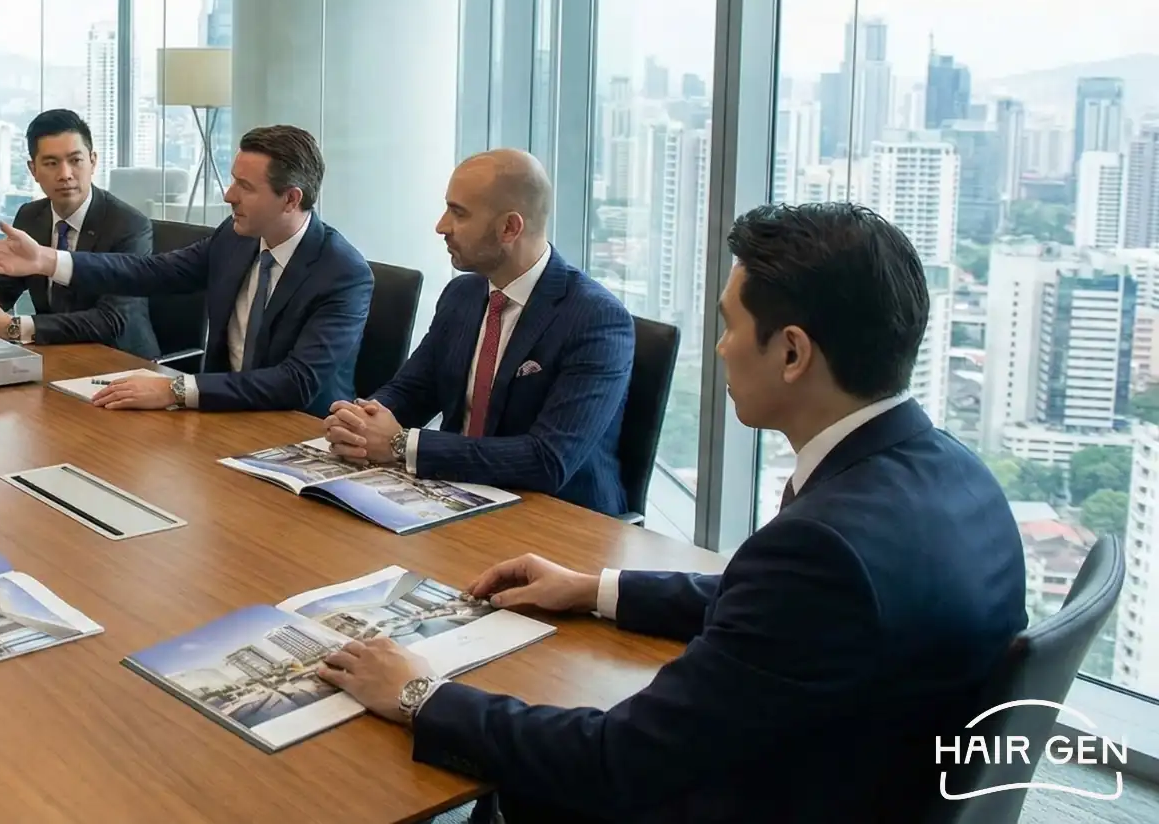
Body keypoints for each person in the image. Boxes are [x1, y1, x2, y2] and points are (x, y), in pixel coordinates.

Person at [318, 202, 1026, 822]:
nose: (718, 348)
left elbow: (615, 761)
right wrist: (596, 590)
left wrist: (416, 692)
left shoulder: (820, 548)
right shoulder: (954, 476)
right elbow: (780, 605)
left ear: (791, 352)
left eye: (729, 325)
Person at [0, 124, 372, 416]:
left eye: (245, 187)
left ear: (290, 199)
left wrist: (176, 388)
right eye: (233, 181)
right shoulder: (234, 239)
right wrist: (47, 260)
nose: (228, 195)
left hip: (296, 431)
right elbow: (148, 273)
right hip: (221, 416)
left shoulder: (342, 273)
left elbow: (296, 381)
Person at [321, 150, 633, 513]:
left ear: (509, 228)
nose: (441, 226)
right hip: (454, 496)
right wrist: (360, 422)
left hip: (556, 519)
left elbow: (548, 460)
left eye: (459, 213)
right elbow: (415, 389)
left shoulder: (596, 318)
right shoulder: (463, 294)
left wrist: (400, 444)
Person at [0, 109, 159, 358]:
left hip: (120, 361)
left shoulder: (128, 225)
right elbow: (3, 286)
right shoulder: (31, 216)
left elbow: (112, 320)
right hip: (52, 353)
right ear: (33, 169)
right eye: (51, 163)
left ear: (93, 161)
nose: (65, 174)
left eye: (75, 161)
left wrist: (13, 327)